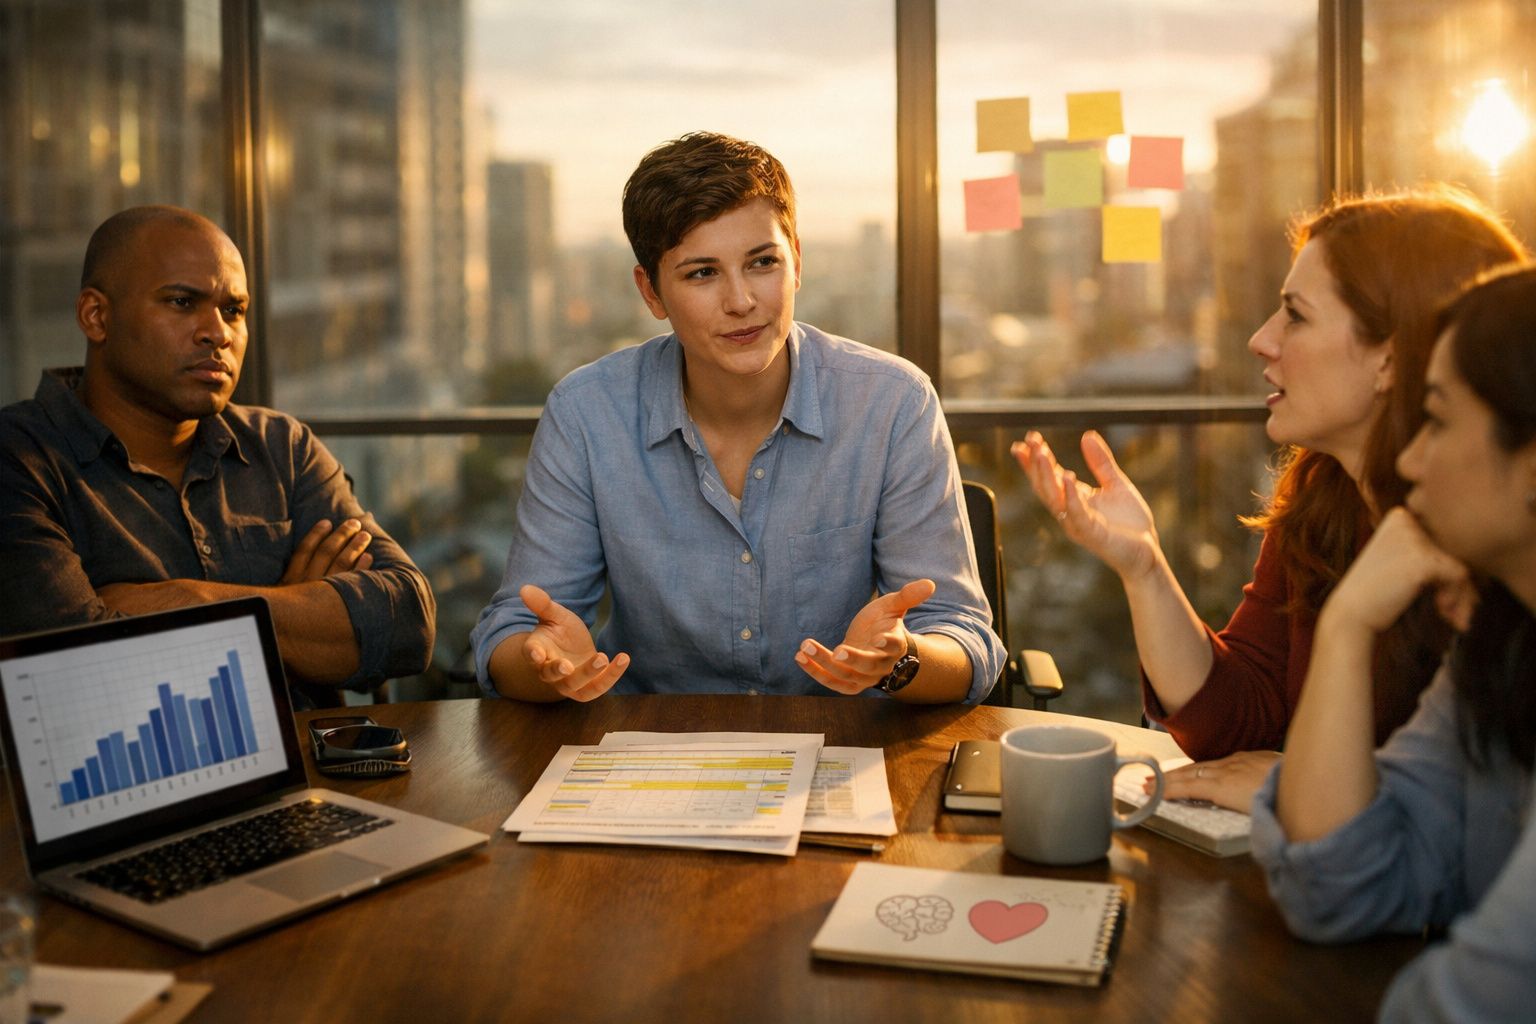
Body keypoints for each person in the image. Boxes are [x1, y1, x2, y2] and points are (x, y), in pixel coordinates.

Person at [1014, 188, 1528, 810]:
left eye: (1296, 315)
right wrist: (1143, 566)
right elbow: (1239, 723)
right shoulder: (1324, 496)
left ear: (1390, 358)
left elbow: (1476, 817)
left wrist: (1301, 789)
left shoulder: (1491, 542)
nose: (1261, 339)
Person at [472, 131, 1002, 703]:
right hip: (648, 753)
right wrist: (544, 666)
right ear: (650, 292)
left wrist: (902, 661)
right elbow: (513, 637)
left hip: (841, 746)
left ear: (796, 261)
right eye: (702, 273)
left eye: (762, 263)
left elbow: (965, 638)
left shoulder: (892, 401)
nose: (742, 301)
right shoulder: (586, 414)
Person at [0, 206, 435, 705]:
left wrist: (191, 601)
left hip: (314, 779)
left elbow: (409, 623)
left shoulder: (282, 447)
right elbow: (76, 681)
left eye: (234, 310)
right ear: (96, 316)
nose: (218, 333)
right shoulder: (19, 461)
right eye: (183, 302)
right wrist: (297, 611)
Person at [1254, 264, 1536, 1021]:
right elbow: (1334, 892)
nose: (1411, 461)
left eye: (1437, 420)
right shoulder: (1503, 645)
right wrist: (1348, 623)